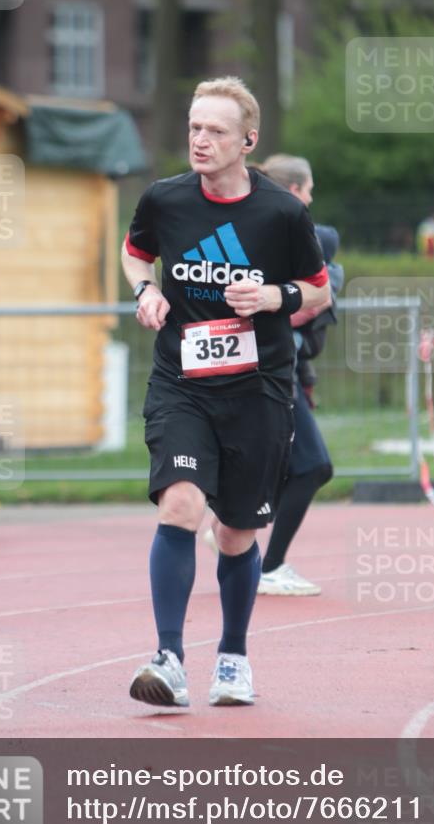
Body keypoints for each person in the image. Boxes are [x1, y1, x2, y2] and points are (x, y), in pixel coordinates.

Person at [121, 77, 330, 707]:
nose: (200, 140)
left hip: (258, 390)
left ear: (248, 140)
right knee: (180, 505)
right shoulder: (165, 199)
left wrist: (272, 296)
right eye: (193, 127)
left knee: (237, 533)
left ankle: (233, 656)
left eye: (214, 130)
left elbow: (317, 289)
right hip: (181, 383)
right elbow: (136, 254)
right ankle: (168, 659)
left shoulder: (282, 212)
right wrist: (146, 291)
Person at [253, 155, 343, 595]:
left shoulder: (278, 231)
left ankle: (236, 539)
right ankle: (267, 565)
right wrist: (308, 298)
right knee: (311, 466)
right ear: (293, 191)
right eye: (307, 190)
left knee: (290, 467)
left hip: (279, 369)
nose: (310, 198)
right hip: (264, 371)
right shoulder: (277, 235)